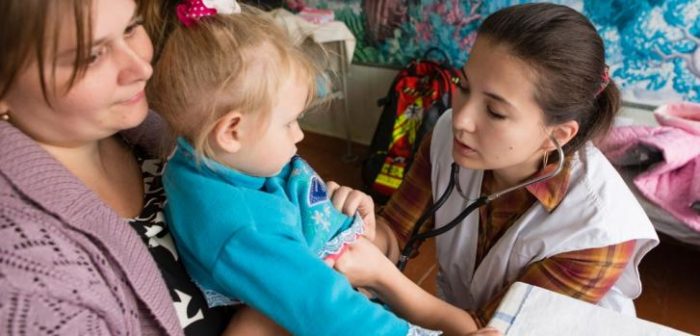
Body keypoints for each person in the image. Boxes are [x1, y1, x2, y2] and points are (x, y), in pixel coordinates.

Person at [146, 1, 502, 335]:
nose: (299, 134)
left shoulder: (215, 160)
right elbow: (328, 310)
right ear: (232, 131)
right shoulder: (245, 229)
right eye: (289, 123)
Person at [335, 2, 660, 330]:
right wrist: (363, 232)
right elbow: (398, 232)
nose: (461, 119)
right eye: (463, 86)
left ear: (557, 136)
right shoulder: (447, 135)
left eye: (494, 112)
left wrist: (381, 276)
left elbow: (487, 328)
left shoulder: (598, 231)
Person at [0, 0, 243, 334]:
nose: (141, 67)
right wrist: (281, 311)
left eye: (131, 28)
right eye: (92, 55)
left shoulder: (157, 132)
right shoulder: (21, 270)